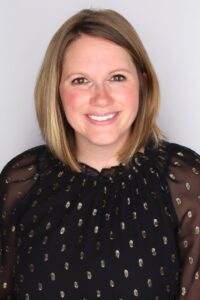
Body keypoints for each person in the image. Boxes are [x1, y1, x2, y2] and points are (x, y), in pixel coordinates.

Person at [0, 8, 199, 300]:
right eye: (80, 80)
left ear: (142, 83)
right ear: (55, 90)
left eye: (117, 77)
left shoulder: (185, 181)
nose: (101, 98)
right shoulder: (21, 181)